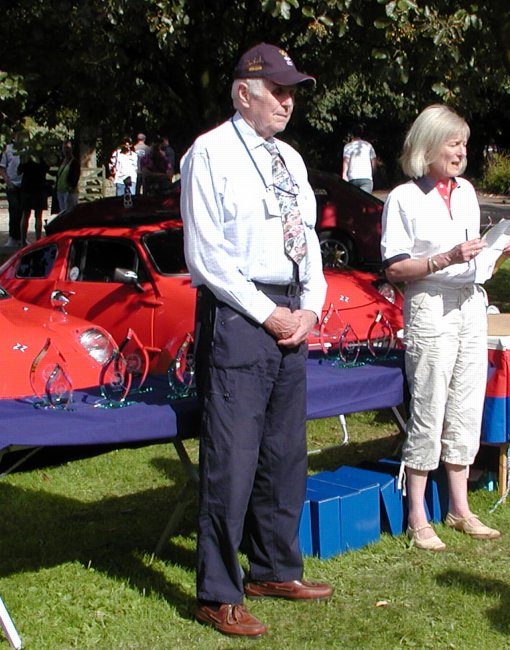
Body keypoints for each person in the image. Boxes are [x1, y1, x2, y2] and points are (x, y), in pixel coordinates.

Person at [180, 42, 332, 638]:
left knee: (284, 453)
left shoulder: (290, 159)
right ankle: (218, 592)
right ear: (244, 93)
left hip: (291, 310)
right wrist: (269, 314)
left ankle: (273, 568)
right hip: (240, 315)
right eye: (279, 90)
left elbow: (308, 240)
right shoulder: (209, 153)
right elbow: (207, 256)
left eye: (293, 92)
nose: (288, 102)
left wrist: (311, 307)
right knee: (232, 458)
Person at [381, 104, 510, 552]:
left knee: (465, 404)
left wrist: (498, 252)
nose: (461, 152)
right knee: (430, 404)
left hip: (470, 304)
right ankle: (417, 516)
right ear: (428, 146)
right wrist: (446, 257)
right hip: (430, 305)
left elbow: (475, 259)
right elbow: (395, 268)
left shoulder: (466, 192)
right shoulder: (403, 198)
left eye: (464, 144)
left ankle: (460, 508)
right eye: (453, 143)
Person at [18, 154, 50, 246]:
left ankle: (23, 240)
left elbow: (19, 171)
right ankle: (38, 240)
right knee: (38, 216)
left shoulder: (26, 157)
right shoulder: (43, 157)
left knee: (25, 215)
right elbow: (47, 168)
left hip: (27, 188)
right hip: (39, 188)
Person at [0, 133, 24, 248]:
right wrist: (8, 182)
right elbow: (2, 168)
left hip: (24, 184)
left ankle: (21, 237)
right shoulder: (8, 149)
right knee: (13, 210)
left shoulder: (26, 149)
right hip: (12, 184)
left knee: (23, 212)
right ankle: (12, 237)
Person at [55, 139, 81, 212]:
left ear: (72, 149)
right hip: (60, 191)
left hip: (70, 192)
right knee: (62, 213)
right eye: (64, 148)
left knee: (70, 213)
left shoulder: (74, 162)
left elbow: (76, 176)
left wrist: (70, 187)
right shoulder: (61, 161)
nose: (66, 150)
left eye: (68, 148)